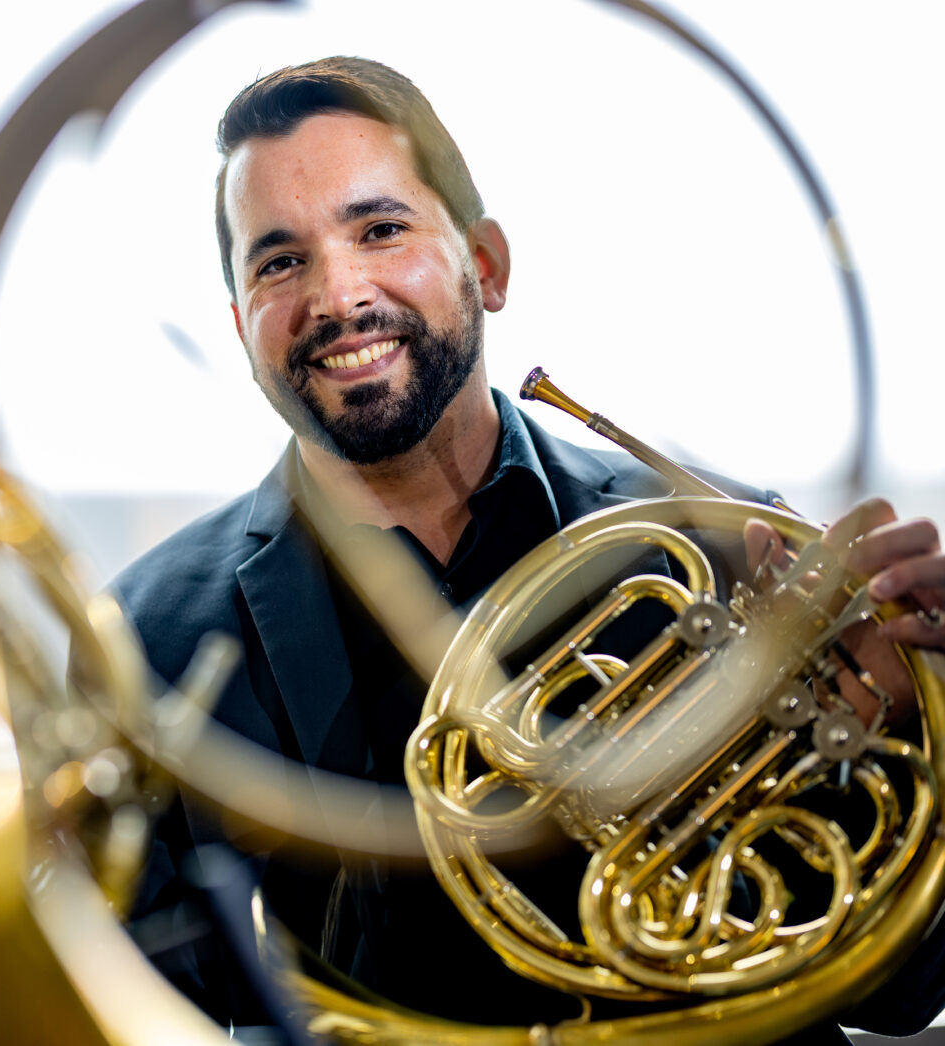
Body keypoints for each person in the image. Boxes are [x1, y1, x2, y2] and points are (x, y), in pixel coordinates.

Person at [113, 56, 945, 1043]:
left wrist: (891, 736)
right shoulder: (135, 643)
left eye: (379, 229)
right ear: (243, 324)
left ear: (486, 265)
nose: (337, 294)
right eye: (278, 260)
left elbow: (896, 992)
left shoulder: (729, 549)